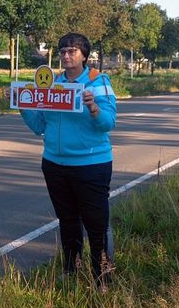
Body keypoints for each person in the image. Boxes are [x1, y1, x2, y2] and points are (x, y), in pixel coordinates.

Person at [18, 32, 118, 289]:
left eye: (72, 50)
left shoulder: (98, 81)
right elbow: (40, 126)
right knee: (68, 221)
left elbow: (108, 123)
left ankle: (102, 277)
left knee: (97, 224)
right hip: (55, 165)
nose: (66, 55)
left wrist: (94, 109)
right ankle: (72, 270)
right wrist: (24, 108)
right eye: (62, 50)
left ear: (84, 55)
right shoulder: (51, 86)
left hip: (92, 165)